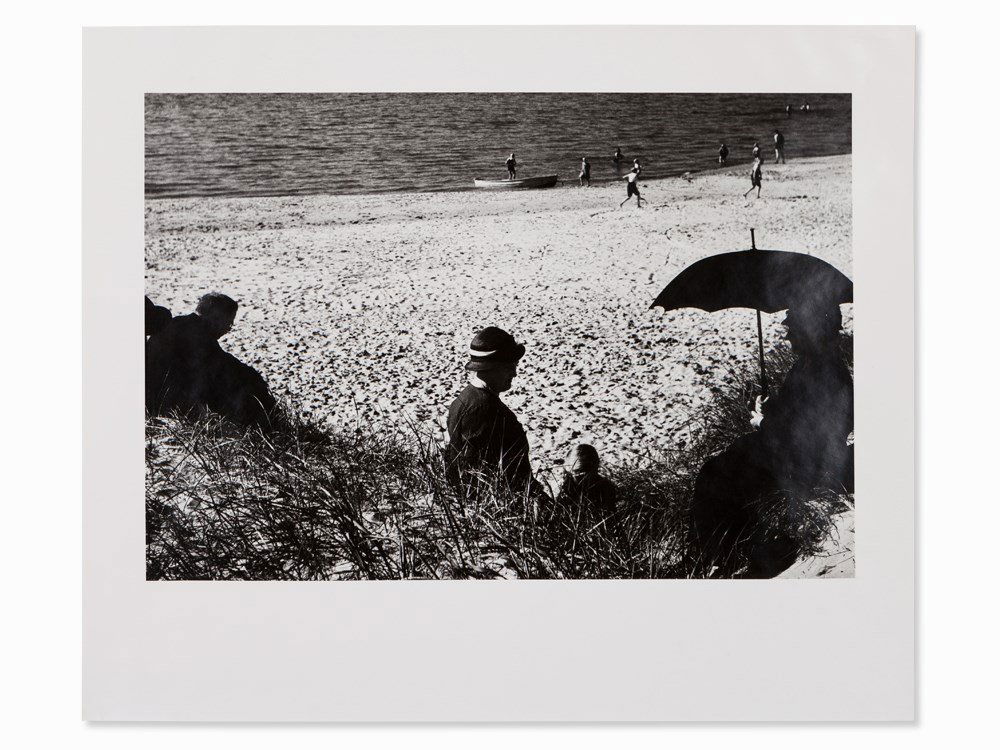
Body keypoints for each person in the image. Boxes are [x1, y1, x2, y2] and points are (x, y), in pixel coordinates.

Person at [690, 300, 854, 578]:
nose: (788, 335)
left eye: (793, 328)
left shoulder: (819, 372)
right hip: (797, 458)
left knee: (715, 476)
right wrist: (769, 407)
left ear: (810, 330)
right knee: (723, 471)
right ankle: (724, 556)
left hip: (803, 467)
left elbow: (807, 432)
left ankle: (719, 559)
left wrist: (763, 421)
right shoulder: (815, 366)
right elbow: (796, 414)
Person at [145, 292, 276, 429]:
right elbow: (223, 364)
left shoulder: (182, 324)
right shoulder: (196, 334)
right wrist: (254, 379)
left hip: (156, 394)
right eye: (229, 323)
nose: (228, 329)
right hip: (162, 402)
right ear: (216, 318)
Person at [445, 326, 546, 500]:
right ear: (491, 368)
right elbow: (483, 473)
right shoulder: (485, 410)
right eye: (509, 367)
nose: (514, 373)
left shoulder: (464, 399)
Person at [556, 444, 617, 525]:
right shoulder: (564, 488)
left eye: (583, 475)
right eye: (578, 475)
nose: (582, 480)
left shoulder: (605, 487)